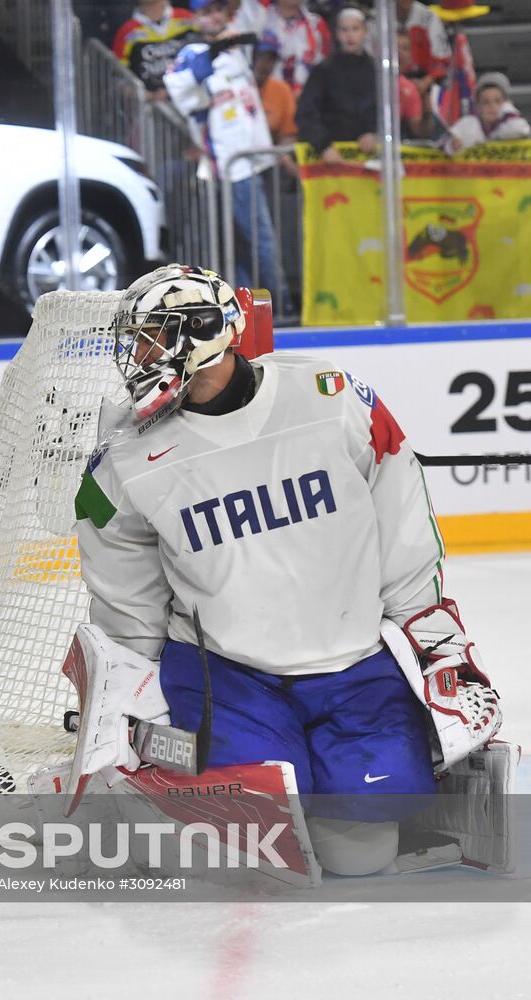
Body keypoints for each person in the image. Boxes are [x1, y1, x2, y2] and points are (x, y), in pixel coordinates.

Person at [71, 264, 504, 877]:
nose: (136, 357)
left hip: (353, 664)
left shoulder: (332, 398)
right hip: (226, 677)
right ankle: (181, 773)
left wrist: (433, 640)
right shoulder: (123, 460)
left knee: (361, 855)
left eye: (150, 337)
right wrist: (129, 703)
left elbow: (404, 528)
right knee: (256, 846)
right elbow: (126, 596)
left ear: (200, 335)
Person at [165, 0, 281, 292]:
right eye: (206, 13)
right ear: (195, 18)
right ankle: (280, 306)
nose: (214, 17)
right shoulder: (191, 54)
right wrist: (212, 53)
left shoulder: (236, 43)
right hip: (230, 163)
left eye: (218, 9)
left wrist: (225, 44)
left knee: (246, 242)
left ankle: (253, 310)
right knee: (260, 239)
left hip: (256, 156)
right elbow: (180, 89)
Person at [295, 7, 378, 163]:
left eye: (355, 29)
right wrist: (323, 146)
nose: (350, 35)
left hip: (369, 157)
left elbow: (388, 112)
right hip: (329, 158)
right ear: (337, 34)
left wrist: (375, 134)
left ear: (365, 32)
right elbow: (306, 113)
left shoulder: (376, 72)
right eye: (344, 29)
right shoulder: (322, 71)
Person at [111, 0, 200, 99]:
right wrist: (151, 96)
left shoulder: (187, 18)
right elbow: (118, 79)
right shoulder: (126, 33)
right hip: (152, 108)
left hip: (192, 97)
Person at [444, 70, 531, 152]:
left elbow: (519, 130)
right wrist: (453, 145)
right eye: (486, 102)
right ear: (477, 106)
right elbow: (446, 146)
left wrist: (508, 110)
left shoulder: (510, 122)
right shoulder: (467, 124)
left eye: (498, 101)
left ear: (507, 104)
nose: (492, 106)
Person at [262, 0, 332, 94]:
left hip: (307, 100)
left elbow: (324, 70)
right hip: (266, 98)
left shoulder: (317, 25)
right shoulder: (259, 21)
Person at [253, 30, 298, 145]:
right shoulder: (235, 87)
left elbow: (288, 136)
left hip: (272, 156)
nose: (264, 64)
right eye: (260, 57)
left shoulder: (282, 90)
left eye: (270, 59)